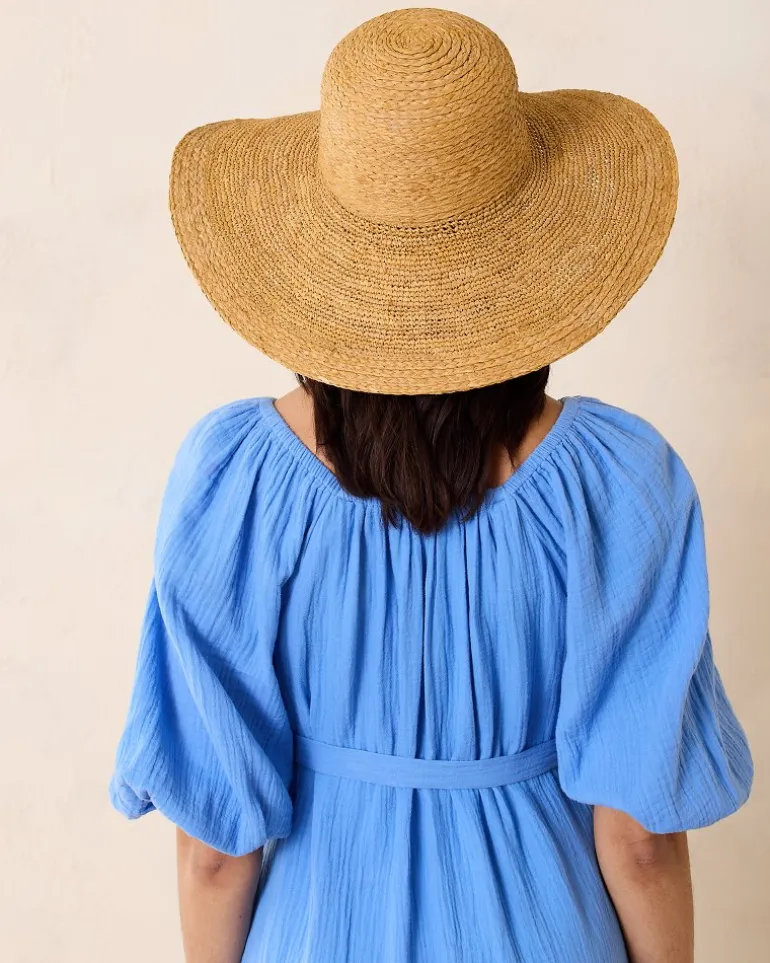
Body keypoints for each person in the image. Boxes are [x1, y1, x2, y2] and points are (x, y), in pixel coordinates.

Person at [108, 8, 753, 963]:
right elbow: (640, 839)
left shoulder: (236, 479)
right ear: (535, 256)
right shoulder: (620, 482)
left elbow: (214, 852)